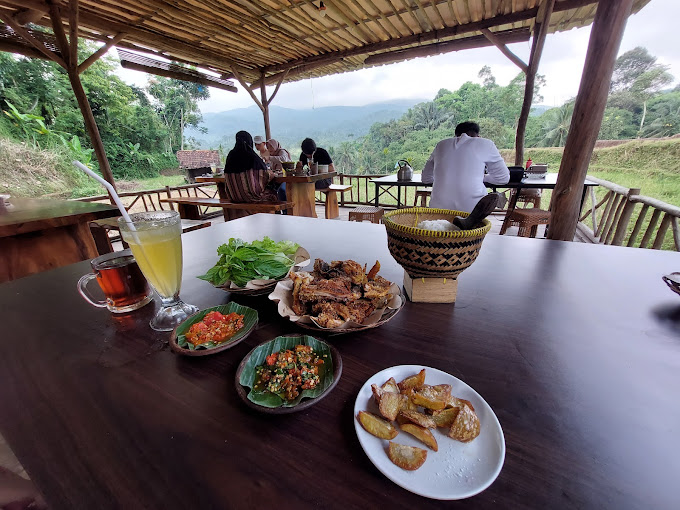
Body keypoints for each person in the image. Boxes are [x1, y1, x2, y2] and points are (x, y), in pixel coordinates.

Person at [421, 121, 509, 213]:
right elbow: (503, 178)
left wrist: (444, 180)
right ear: (478, 137)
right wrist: (483, 178)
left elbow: (425, 179)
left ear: (455, 136)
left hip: (438, 211)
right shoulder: (486, 144)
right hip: (472, 211)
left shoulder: (441, 145)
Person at [222, 130, 277, 202]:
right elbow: (265, 175)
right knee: (273, 194)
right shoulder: (251, 156)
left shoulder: (230, 155)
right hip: (252, 197)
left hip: (233, 197)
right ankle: (275, 213)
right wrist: (272, 174)